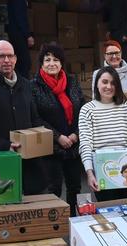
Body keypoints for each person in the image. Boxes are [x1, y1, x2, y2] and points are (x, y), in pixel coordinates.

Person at [0, 40, 47, 196]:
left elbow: (35, 119)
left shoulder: (26, 85)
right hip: (0, 159)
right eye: (1, 56)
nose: (6, 60)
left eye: (10, 56)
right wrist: (4, 144)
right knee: (5, 203)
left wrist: (37, 141)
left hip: (30, 160)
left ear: (15, 59)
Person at [29, 42, 86, 217]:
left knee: (75, 186)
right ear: (42, 63)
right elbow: (35, 117)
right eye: (47, 60)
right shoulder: (34, 86)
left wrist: (76, 134)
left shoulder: (72, 82)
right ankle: (54, 223)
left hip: (74, 144)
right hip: (50, 146)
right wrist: (58, 137)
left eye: (56, 59)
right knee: (53, 187)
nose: (51, 63)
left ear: (61, 63)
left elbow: (83, 109)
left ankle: (73, 220)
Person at [79, 66, 127, 202]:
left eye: (113, 83)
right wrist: (89, 172)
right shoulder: (87, 110)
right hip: (102, 170)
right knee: (108, 214)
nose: (109, 86)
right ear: (97, 84)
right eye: (104, 82)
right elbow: (85, 144)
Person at [6, 0, 34, 79]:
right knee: (24, 62)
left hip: (15, 34)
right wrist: (28, 35)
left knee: (19, 62)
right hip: (19, 34)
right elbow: (21, 18)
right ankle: (23, 84)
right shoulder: (18, 1)